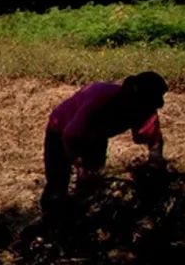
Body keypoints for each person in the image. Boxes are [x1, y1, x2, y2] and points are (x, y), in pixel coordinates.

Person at [42, 71, 167, 211]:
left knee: (93, 179)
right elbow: (70, 135)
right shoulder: (100, 98)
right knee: (58, 181)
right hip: (61, 129)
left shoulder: (145, 108)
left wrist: (155, 161)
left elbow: (154, 139)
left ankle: (82, 215)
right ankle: (50, 219)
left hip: (97, 135)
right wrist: (80, 167)